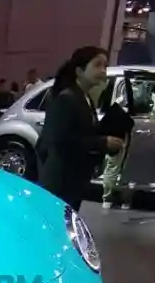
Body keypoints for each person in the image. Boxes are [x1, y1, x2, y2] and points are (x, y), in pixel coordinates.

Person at [35, 46, 124, 211]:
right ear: (79, 71)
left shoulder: (85, 97)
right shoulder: (67, 98)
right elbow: (62, 140)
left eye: (105, 66)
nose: (103, 70)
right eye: (97, 65)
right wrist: (102, 143)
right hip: (61, 180)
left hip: (75, 179)